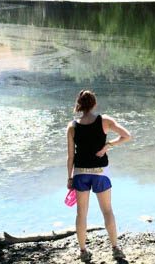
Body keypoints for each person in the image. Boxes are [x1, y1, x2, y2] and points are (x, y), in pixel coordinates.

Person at [67, 89, 132, 262]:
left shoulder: (72, 126)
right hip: (100, 173)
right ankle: (116, 248)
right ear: (94, 104)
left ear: (79, 105)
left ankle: (83, 251)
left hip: (80, 173)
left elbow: (71, 156)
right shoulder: (105, 121)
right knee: (107, 211)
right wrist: (108, 145)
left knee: (81, 214)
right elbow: (126, 136)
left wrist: (70, 178)